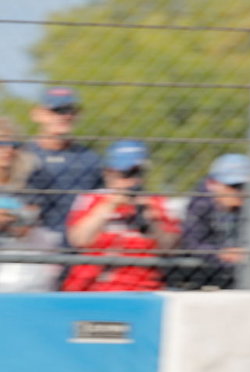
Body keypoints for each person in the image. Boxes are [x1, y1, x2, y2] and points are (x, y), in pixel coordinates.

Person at [60, 140, 178, 292]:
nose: (133, 180)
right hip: (94, 285)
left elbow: (170, 248)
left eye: (138, 173)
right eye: (127, 174)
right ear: (109, 173)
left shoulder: (157, 202)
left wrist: (152, 221)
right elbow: (79, 239)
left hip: (142, 286)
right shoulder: (92, 199)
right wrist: (110, 205)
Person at [24, 86, 102, 236]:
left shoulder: (90, 159)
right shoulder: (22, 155)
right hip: (33, 244)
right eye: (56, 110)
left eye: (69, 110)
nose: (64, 116)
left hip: (78, 245)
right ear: (37, 114)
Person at [172, 153, 250, 290]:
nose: (240, 192)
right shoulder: (199, 206)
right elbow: (192, 243)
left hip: (235, 281)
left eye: (245, 187)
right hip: (196, 281)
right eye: (234, 186)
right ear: (212, 184)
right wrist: (222, 254)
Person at [0, 194, 61, 292]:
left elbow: (24, 226)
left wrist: (13, 217)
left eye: (9, 215)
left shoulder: (43, 236)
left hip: (35, 291)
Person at [0, 117, 39, 200]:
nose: (9, 150)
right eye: (2, 144)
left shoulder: (27, 181)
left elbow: (33, 209)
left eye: (14, 145)